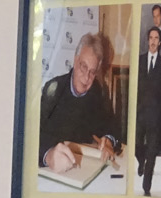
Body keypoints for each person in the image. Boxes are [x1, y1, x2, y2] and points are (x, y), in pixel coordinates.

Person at [39, 34, 122, 174]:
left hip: (84, 170)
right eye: (84, 67)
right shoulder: (54, 89)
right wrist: (48, 155)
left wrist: (108, 140)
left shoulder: (97, 92)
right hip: (53, 171)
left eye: (92, 72)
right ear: (75, 60)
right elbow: (33, 134)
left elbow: (112, 125)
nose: (87, 77)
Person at [136, 28, 161, 196]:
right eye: (151, 38)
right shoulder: (139, 60)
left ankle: (146, 186)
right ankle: (140, 160)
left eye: (156, 38)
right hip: (140, 113)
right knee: (137, 145)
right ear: (147, 40)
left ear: (160, 42)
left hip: (155, 115)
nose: (153, 41)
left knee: (152, 151)